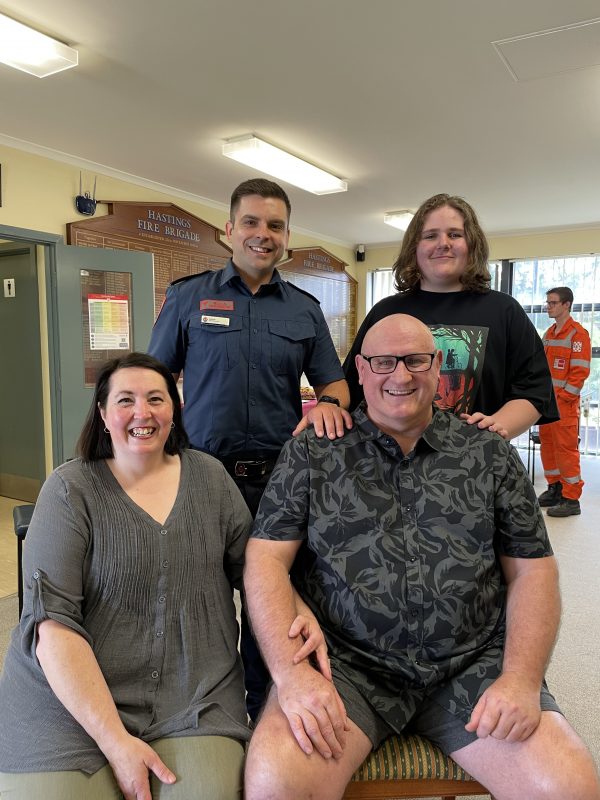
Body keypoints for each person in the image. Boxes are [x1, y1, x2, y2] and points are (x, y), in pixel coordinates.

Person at [243, 315, 600, 800]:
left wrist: (520, 679)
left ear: (437, 367)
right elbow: (265, 561)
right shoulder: (313, 451)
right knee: (275, 784)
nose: (401, 375)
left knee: (570, 786)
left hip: (473, 666)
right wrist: (291, 676)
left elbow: (533, 572)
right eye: (384, 362)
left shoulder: (488, 453)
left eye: (416, 360)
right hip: (347, 667)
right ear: (361, 372)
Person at [0, 353, 253, 800]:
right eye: (125, 400)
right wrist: (116, 742)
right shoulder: (68, 490)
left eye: (156, 399)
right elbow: (53, 629)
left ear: (174, 411)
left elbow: (255, 576)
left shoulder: (211, 479)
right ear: (102, 414)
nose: (143, 412)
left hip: (193, 695)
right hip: (69, 701)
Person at [148, 177, 350, 719]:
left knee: (273, 604)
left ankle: (266, 709)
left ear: (287, 236)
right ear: (229, 230)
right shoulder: (189, 297)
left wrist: (331, 403)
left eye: (276, 226)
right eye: (253, 223)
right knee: (202, 602)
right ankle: (207, 715)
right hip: (202, 478)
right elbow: (155, 377)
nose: (264, 235)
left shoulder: (304, 310)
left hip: (279, 484)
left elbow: (334, 382)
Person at [343, 193, 558, 440]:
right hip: (390, 461)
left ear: (472, 244)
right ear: (415, 247)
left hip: (475, 463)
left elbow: (534, 390)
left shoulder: (505, 311)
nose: (443, 243)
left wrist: (493, 432)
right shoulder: (386, 312)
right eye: (430, 235)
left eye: (455, 234)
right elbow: (352, 385)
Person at [538, 287, 591, 517]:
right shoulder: (549, 333)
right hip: (547, 402)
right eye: (548, 302)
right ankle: (555, 487)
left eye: (553, 302)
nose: (548, 306)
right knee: (548, 446)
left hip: (564, 405)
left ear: (566, 305)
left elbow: (580, 372)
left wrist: (564, 399)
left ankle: (571, 499)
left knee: (566, 450)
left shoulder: (578, 335)